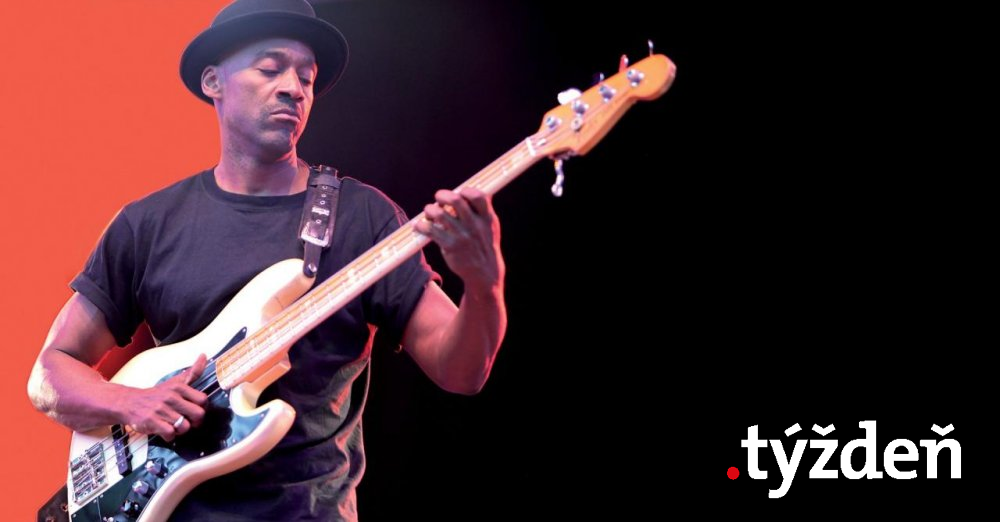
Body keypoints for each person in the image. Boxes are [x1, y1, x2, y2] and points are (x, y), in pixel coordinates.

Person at [26, 0, 506, 520]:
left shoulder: (362, 218)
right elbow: (51, 371)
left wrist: (484, 286)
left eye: (306, 77)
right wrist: (131, 403)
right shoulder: (147, 223)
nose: (294, 88)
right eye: (270, 68)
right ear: (213, 81)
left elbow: (463, 371)